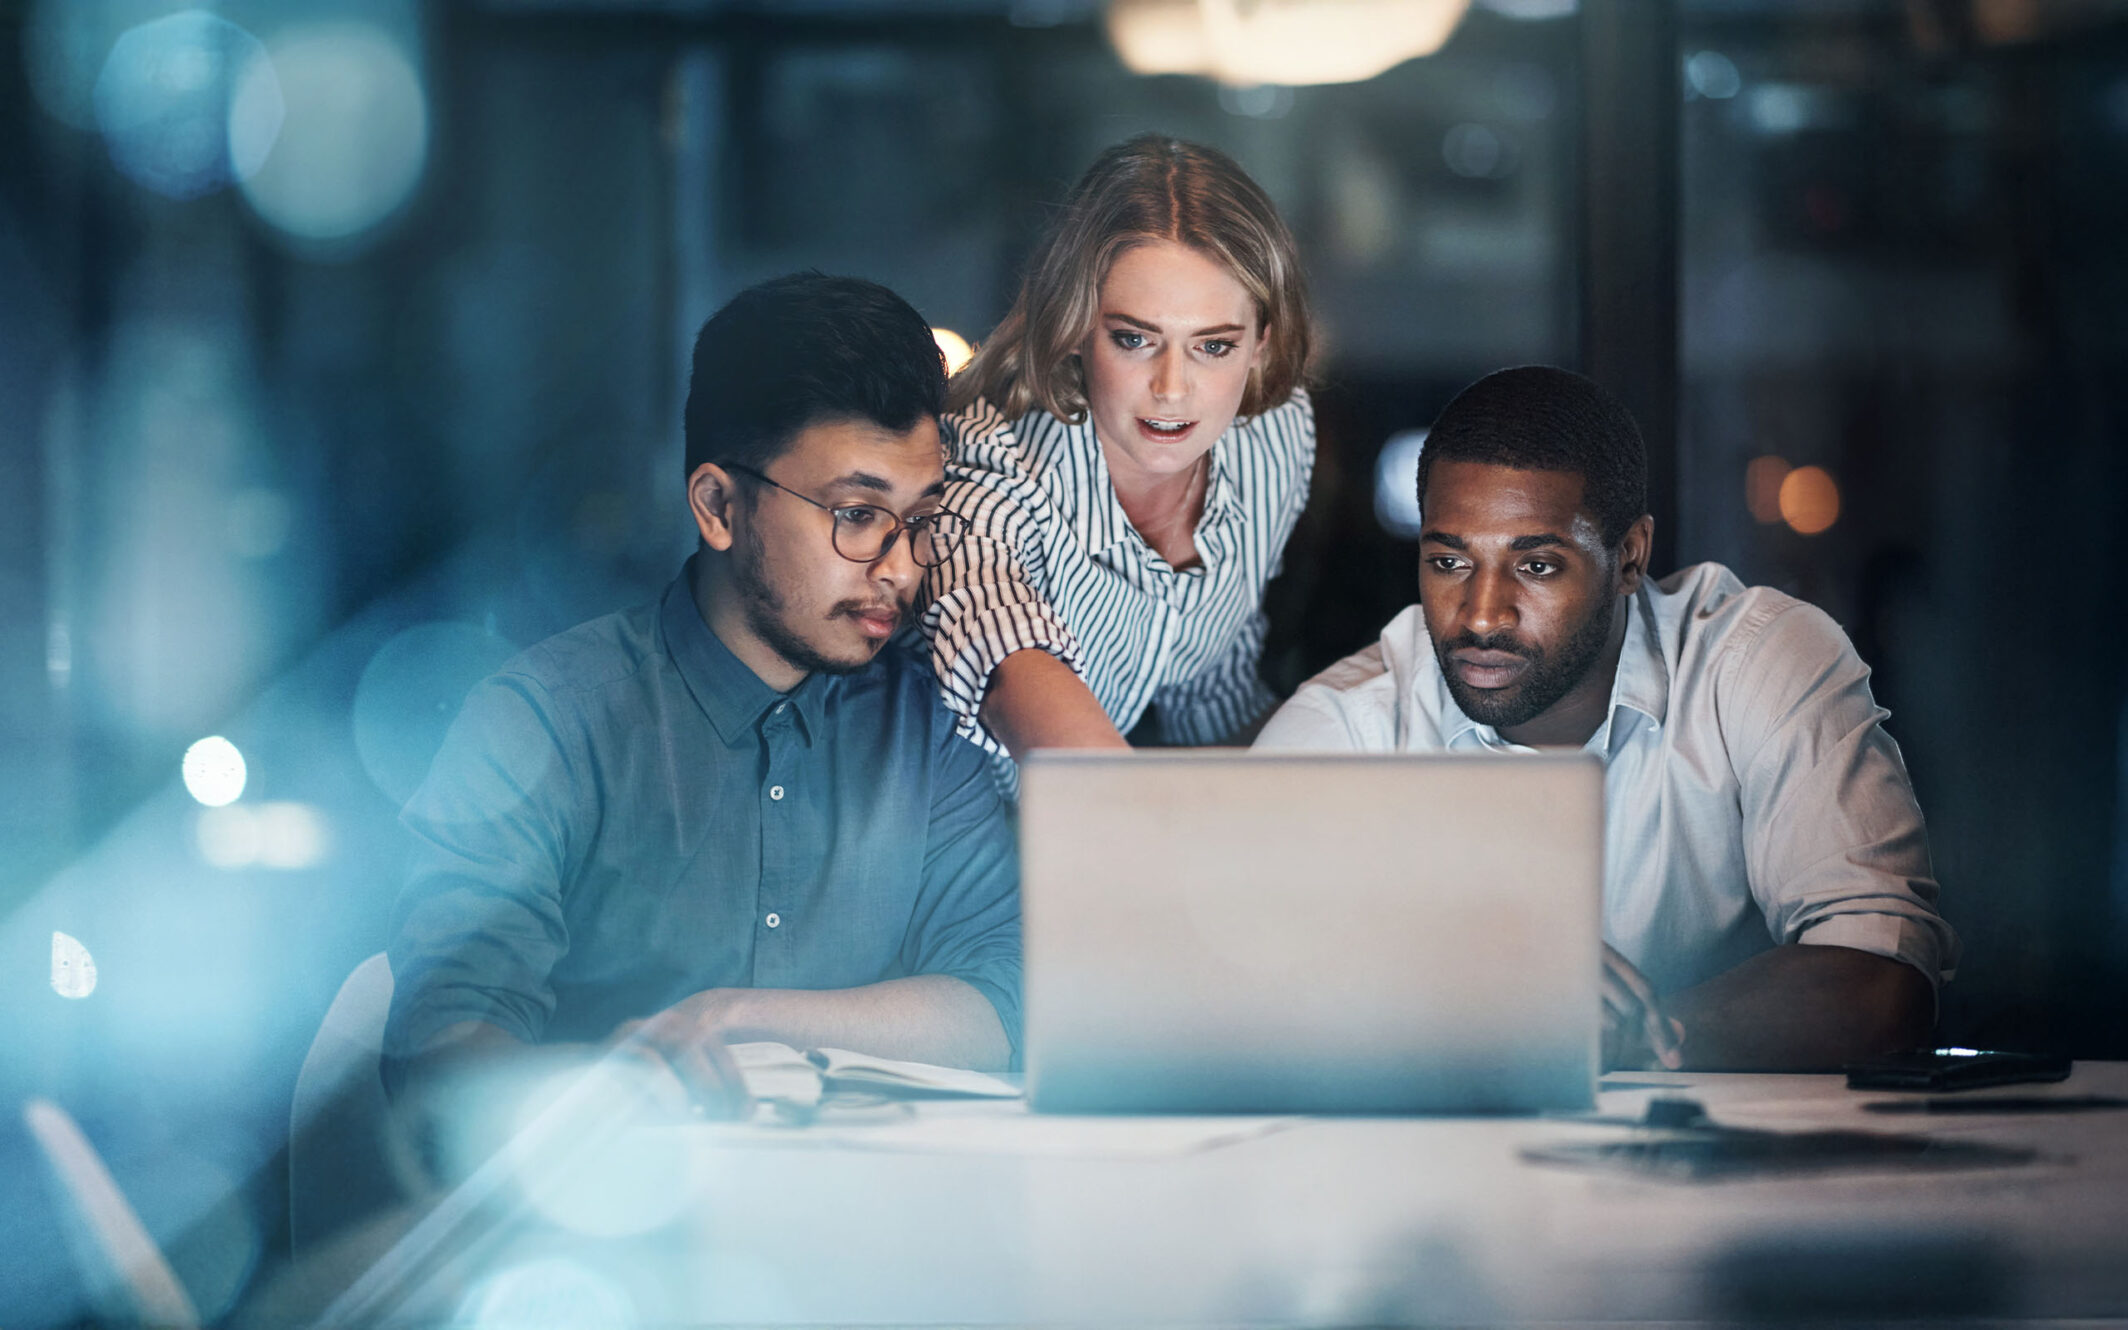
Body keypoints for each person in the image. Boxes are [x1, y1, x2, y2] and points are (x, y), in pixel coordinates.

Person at [384, 273, 1022, 1131]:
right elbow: (441, 1046)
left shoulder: (928, 723)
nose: (902, 567)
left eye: (919, 519)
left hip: (872, 1225)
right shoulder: (546, 723)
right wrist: (615, 1088)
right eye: (858, 514)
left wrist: (736, 1020)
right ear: (719, 506)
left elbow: (1002, 1000)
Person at [1256, 366, 1957, 1072]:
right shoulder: (1342, 731)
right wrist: (1457, 991)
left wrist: (1612, 1037)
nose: (1481, 614)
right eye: (1448, 561)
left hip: (1732, 1174)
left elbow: (1884, 982)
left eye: (1535, 567)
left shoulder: (1754, 665)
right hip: (1441, 1174)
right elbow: (1233, 999)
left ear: (1629, 558)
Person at [922, 135, 1315, 780]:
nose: (1172, 387)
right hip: (948, 844)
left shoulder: (1273, 437)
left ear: (1262, 345)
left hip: (1114, 831)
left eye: (1213, 347)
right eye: (1134, 339)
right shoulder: (990, 464)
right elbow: (999, 646)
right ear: (1077, 327)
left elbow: (1210, 697)